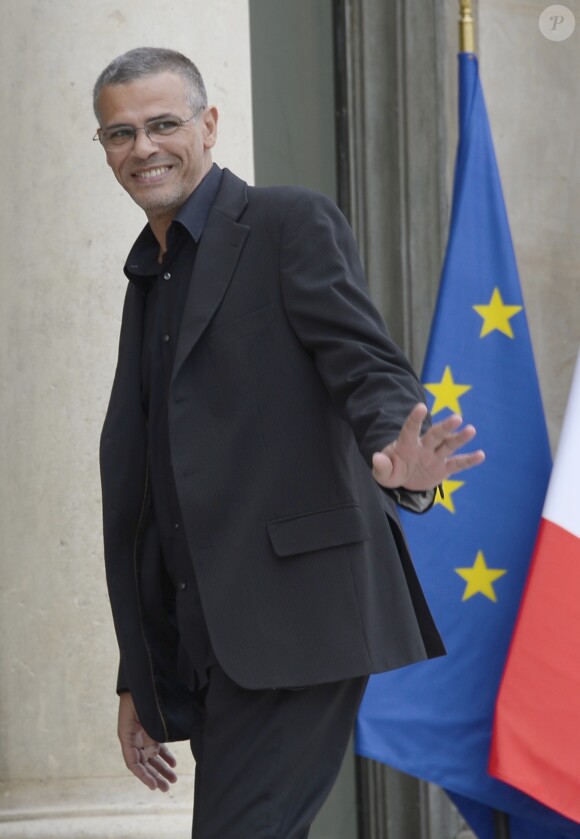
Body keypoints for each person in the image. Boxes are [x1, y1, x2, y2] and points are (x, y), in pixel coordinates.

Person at [94, 46, 484, 838]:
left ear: (208, 125)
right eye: (119, 134)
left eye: (162, 124)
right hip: (206, 638)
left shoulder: (284, 222)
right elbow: (152, 488)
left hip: (297, 617)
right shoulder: (150, 273)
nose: (143, 149)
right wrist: (143, 670)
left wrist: (401, 460)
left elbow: (365, 362)